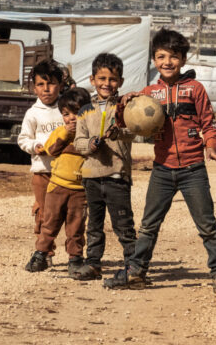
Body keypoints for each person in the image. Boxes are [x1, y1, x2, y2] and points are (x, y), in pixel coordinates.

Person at [107, 28, 216, 296]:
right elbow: (123, 123)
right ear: (154, 60)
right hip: (162, 170)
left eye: (174, 56)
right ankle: (136, 271)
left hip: (193, 170)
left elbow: (209, 123)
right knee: (148, 225)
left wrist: (211, 147)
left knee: (207, 225)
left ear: (184, 59)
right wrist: (124, 103)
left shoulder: (195, 89)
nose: (168, 62)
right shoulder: (148, 94)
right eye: (161, 56)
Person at [73, 53, 137, 282]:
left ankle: (133, 265)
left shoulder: (124, 107)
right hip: (91, 175)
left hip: (117, 175)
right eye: (101, 78)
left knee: (123, 224)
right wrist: (89, 145)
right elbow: (78, 142)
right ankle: (93, 264)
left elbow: (134, 132)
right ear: (92, 80)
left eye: (112, 79)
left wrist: (118, 132)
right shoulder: (84, 111)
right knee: (94, 225)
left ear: (120, 82)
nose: (106, 84)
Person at [25, 87, 91, 276]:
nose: (72, 118)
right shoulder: (60, 132)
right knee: (50, 223)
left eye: (77, 113)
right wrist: (65, 134)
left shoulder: (89, 134)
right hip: (57, 187)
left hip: (80, 190)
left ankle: (75, 259)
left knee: (76, 226)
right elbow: (51, 150)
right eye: (66, 114)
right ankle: (40, 254)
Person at [18, 59, 65, 263]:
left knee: (68, 212)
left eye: (51, 83)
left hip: (66, 173)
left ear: (60, 85)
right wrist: (35, 146)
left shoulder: (66, 109)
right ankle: (44, 250)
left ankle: (75, 251)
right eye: (40, 84)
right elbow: (23, 139)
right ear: (34, 87)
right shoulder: (32, 113)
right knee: (43, 212)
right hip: (42, 172)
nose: (46, 89)